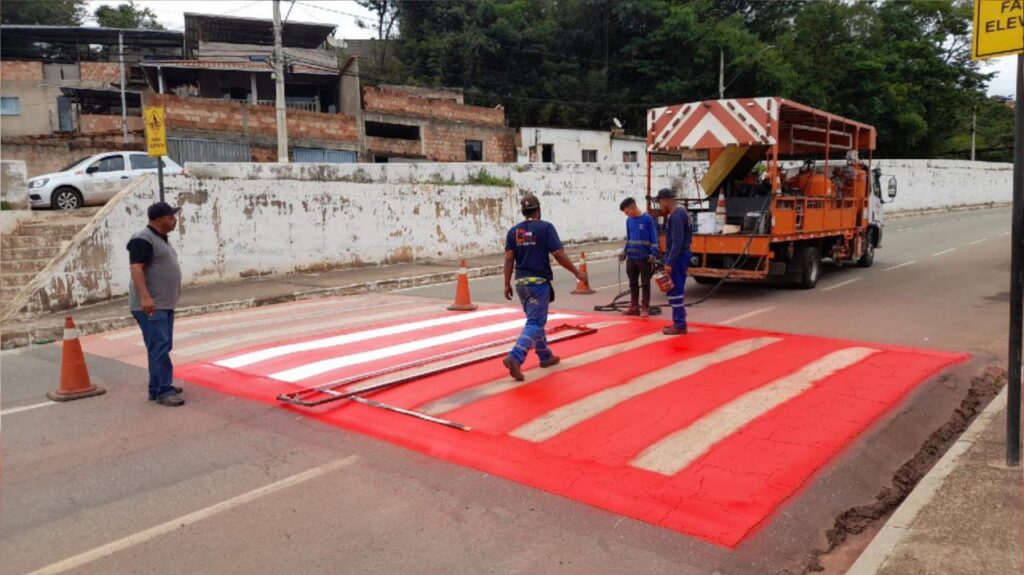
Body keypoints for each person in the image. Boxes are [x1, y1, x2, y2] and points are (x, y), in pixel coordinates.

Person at [502, 194, 587, 381]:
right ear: (538, 211)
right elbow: (559, 254)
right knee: (535, 322)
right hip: (538, 283)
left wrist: (506, 283)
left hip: (521, 284)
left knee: (535, 320)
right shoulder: (546, 228)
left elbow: (509, 260)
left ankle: (544, 355)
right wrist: (577, 272)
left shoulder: (513, 231)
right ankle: (515, 357)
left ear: (524, 212)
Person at [127, 202, 184, 406]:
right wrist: (145, 297)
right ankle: (164, 389)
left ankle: (156, 387)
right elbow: (136, 268)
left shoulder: (161, 239)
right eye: (170, 217)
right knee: (159, 346)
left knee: (162, 346)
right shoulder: (143, 239)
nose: (174, 220)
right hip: (151, 305)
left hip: (164, 304)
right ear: (159, 220)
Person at [655, 188, 692, 335]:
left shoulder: (675, 216)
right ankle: (679, 320)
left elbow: (677, 242)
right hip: (682, 255)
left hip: (678, 257)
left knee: (674, 290)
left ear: (665, 199)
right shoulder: (682, 212)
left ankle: (680, 324)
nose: (659, 205)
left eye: (659, 202)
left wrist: (669, 262)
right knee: (676, 289)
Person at [618, 197, 660, 317]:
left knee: (645, 283)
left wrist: (653, 254)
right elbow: (629, 238)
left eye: (626, 211)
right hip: (631, 257)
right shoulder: (629, 220)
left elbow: (653, 238)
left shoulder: (647, 219)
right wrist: (624, 251)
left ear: (632, 208)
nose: (626, 214)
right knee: (633, 283)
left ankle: (645, 307)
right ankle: (634, 306)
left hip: (644, 258)